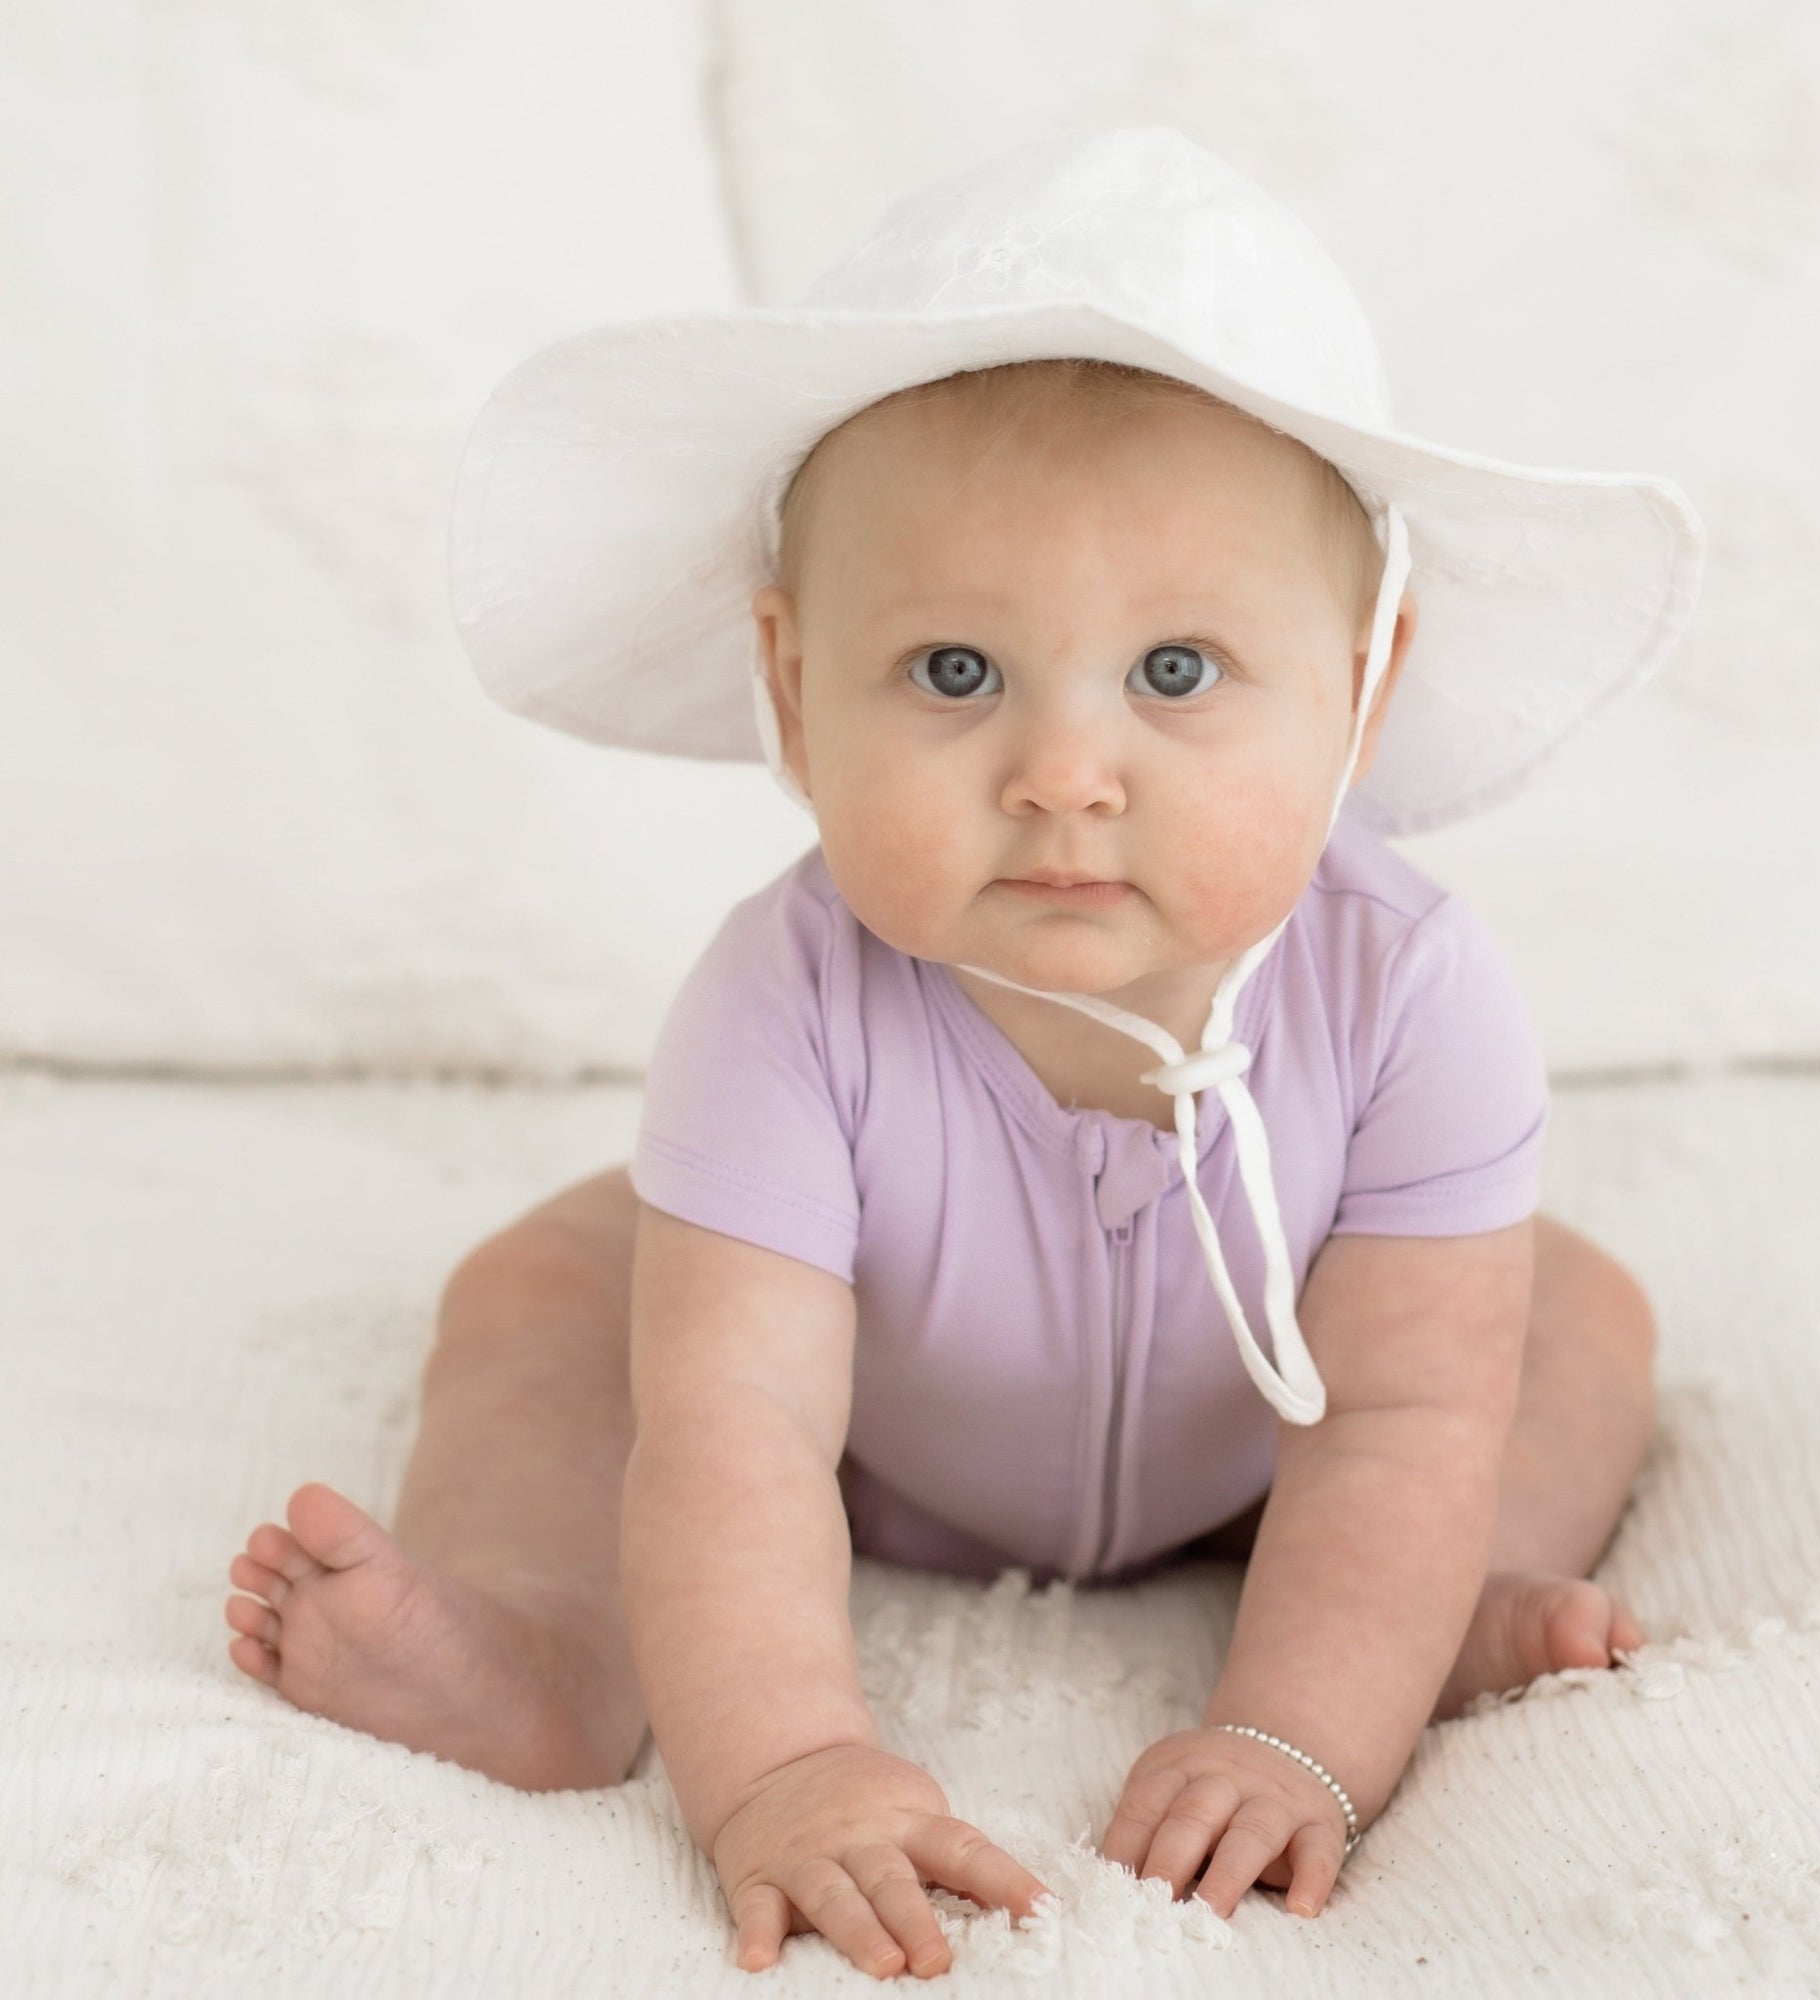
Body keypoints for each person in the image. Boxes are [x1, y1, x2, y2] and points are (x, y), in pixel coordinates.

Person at [221, 126, 1703, 1980]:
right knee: (550, 1291)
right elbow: (741, 1428)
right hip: (870, 1450)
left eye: (1175, 673)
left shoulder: (1406, 990)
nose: (1064, 772)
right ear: (789, 681)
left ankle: (1410, 1624)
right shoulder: (787, 1000)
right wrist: (789, 1769)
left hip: (1285, 1438)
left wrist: (1296, 1733)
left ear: (1363, 689)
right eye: (952, 673)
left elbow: (1402, 1409)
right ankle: (555, 1646)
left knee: (1559, 1326)